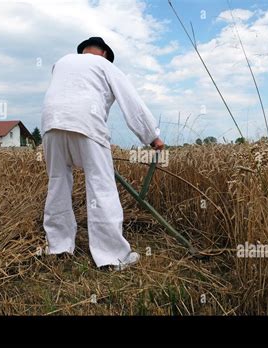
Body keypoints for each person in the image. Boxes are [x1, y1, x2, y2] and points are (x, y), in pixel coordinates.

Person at [41, 37, 164, 270]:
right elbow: (131, 102)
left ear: (82, 51)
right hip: (86, 123)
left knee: (57, 182)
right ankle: (112, 256)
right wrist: (151, 136)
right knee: (101, 186)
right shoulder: (105, 65)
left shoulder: (62, 62)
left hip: (51, 124)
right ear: (105, 53)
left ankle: (58, 247)